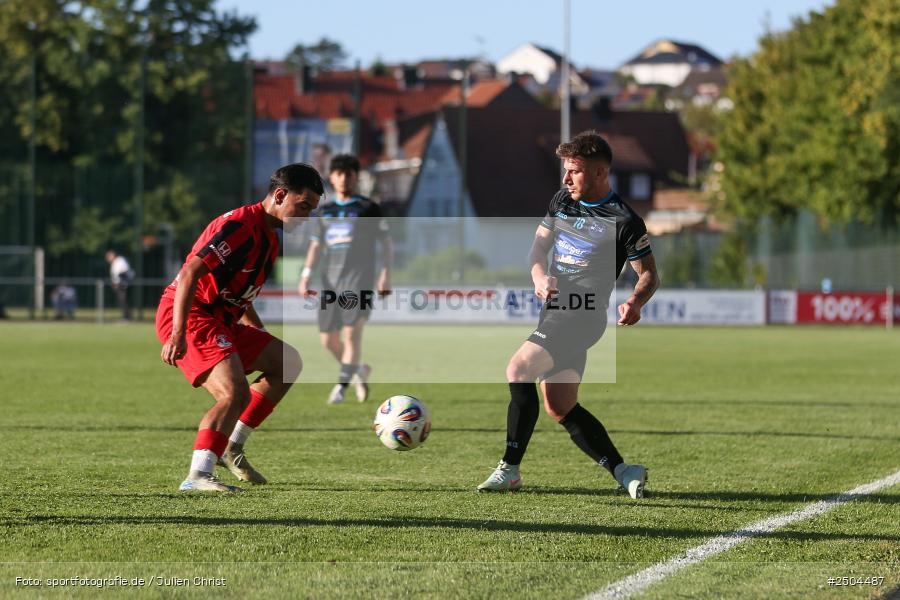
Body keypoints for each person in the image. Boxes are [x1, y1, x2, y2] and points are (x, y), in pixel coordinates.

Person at [477, 130, 660, 499]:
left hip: (583, 314)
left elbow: (649, 275)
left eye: (573, 171)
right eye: (564, 170)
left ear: (599, 173)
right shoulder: (562, 200)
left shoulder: (625, 220)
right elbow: (537, 249)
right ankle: (624, 470)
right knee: (560, 406)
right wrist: (539, 275)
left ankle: (509, 468)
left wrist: (635, 302)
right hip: (553, 312)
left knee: (518, 369)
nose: (565, 179)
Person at [157, 163, 324, 492]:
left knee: (287, 363)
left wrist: (260, 337)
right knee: (233, 393)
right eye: (303, 206)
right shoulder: (239, 226)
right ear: (279, 195)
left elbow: (240, 298)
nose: (306, 216)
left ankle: (232, 447)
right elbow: (191, 272)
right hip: (191, 314)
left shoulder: (270, 240)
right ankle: (198, 475)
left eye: (312, 210)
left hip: (222, 320)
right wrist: (177, 333)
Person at [298, 154, 393, 405]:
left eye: (349, 174)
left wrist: (385, 274)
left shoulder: (368, 208)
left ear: (356, 177)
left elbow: (386, 242)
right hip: (330, 282)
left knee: (352, 336)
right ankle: (358, 369)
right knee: (328, 340)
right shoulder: (325, 211)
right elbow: (316, 245)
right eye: (339, 173)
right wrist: (306, 275)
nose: (343, 178)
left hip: (359, 281)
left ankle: (340, 387)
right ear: (332, 177)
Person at [105, 249, 134, 321]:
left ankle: (127, 318)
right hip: (119, 285)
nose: (108, 259)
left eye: (109, 257)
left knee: (124, 301)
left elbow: (124, 272)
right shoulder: (114, 263)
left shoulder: (120, 260)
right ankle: (126, 317)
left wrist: (119, 282)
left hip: (123, 285)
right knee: (122, 301)